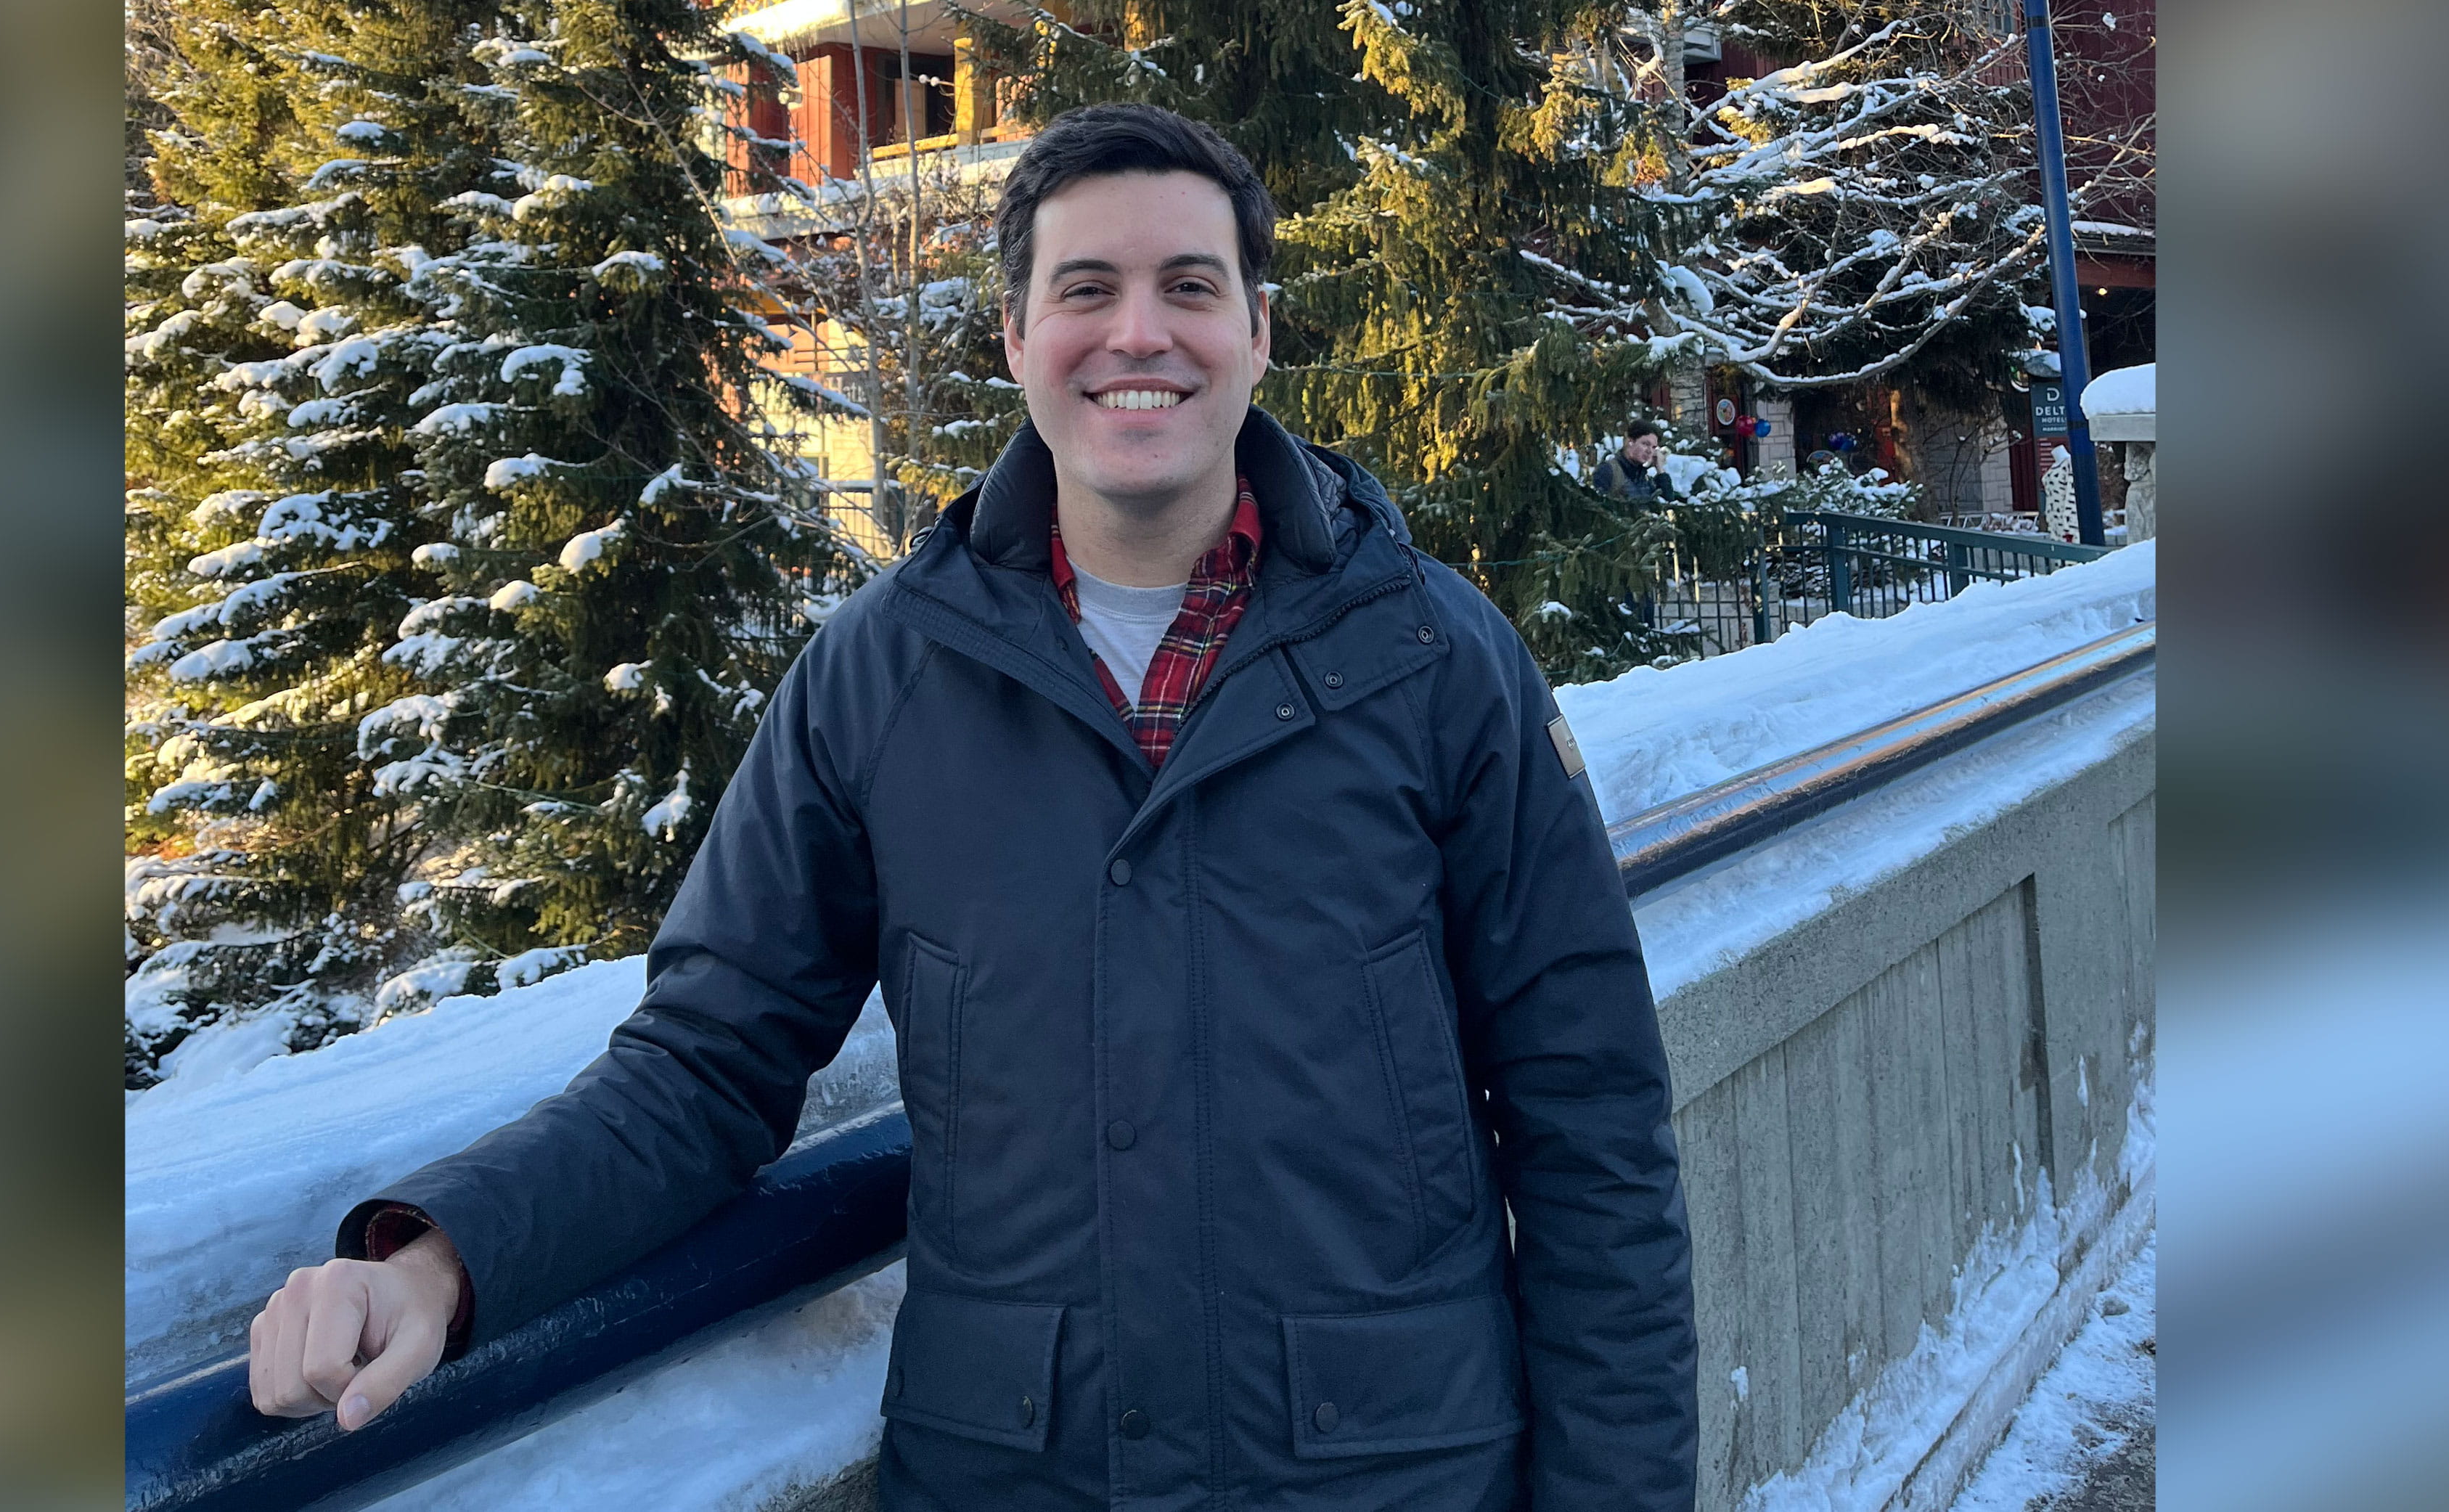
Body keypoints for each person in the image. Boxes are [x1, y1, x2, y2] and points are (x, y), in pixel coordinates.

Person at [242, 103, 1697, 1511]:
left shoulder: (1435, 659)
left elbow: (1590, 1126)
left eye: (1190, 286)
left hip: (1391, 1473)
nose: (1140, 333)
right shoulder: (876, 679)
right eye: (1087, 288)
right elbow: (702, 1067)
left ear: (1259, 330)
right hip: (1016, 1473)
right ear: (1016, 338)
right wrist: (436, 1258)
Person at [1585, 419, 1680, 502]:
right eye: (1645, 444)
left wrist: (1660, 471)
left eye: (1654, 447)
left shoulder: (1644, 477)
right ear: (1630, 442)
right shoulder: (1607, 471)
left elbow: (1668, 506)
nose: (1650, 451)